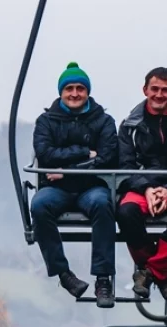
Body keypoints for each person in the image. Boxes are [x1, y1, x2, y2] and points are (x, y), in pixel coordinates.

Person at [31, 62, 120, 307]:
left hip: (92, 187)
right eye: (69, 88)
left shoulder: (103, 121)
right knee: (39, 206)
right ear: (61, 92)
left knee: (104, 204)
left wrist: (67, 170)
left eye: (80, 88)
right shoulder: (47, 121)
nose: (74, 93)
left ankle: (103, 278)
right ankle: (64, 274)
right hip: (57, 190)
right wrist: (84, 152)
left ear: (87, 92)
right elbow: (45, 154)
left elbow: (107, 158)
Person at [116, 67, 167, 301]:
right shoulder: (129, 126)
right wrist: (147, 188)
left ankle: (150, 271)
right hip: (142, 187)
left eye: (165, 90)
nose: (159, 95)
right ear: (145, 90)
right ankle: (161, 275)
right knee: (126, 212)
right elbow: (125, 165)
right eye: (154, 89)